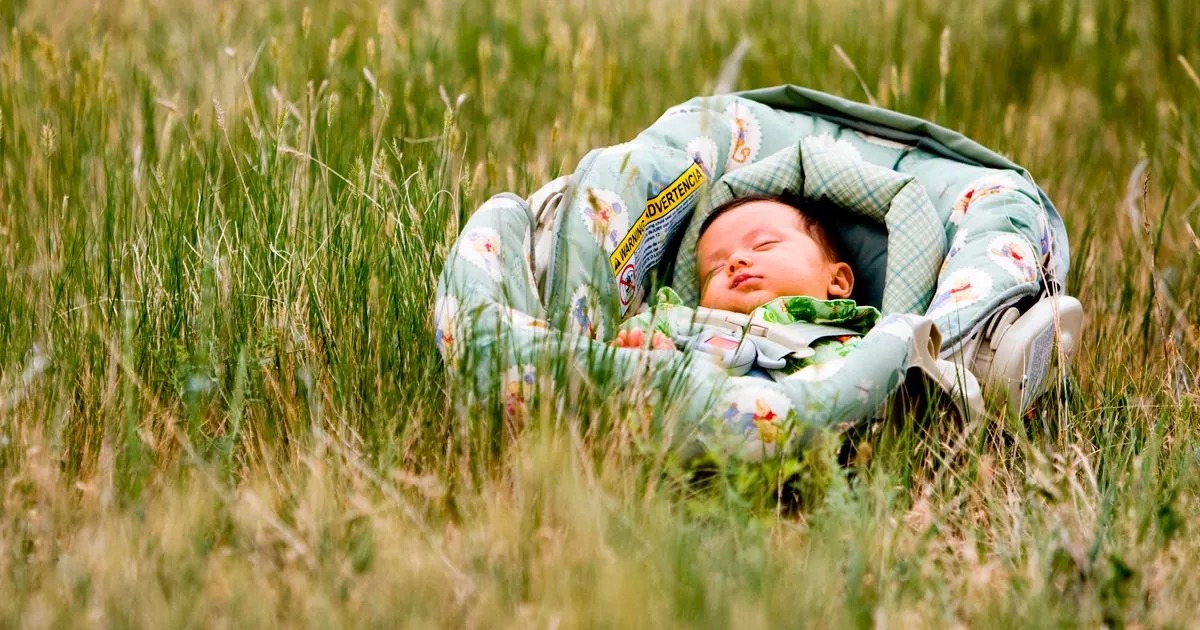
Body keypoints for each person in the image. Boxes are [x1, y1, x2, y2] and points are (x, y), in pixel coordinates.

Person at [612, 194, 879, 378]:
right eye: (715, 270)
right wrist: (644, 349)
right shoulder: (681, 322)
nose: (735, 261)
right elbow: (625, 341)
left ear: (837, 280)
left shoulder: (867, 345)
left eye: (764, 244)